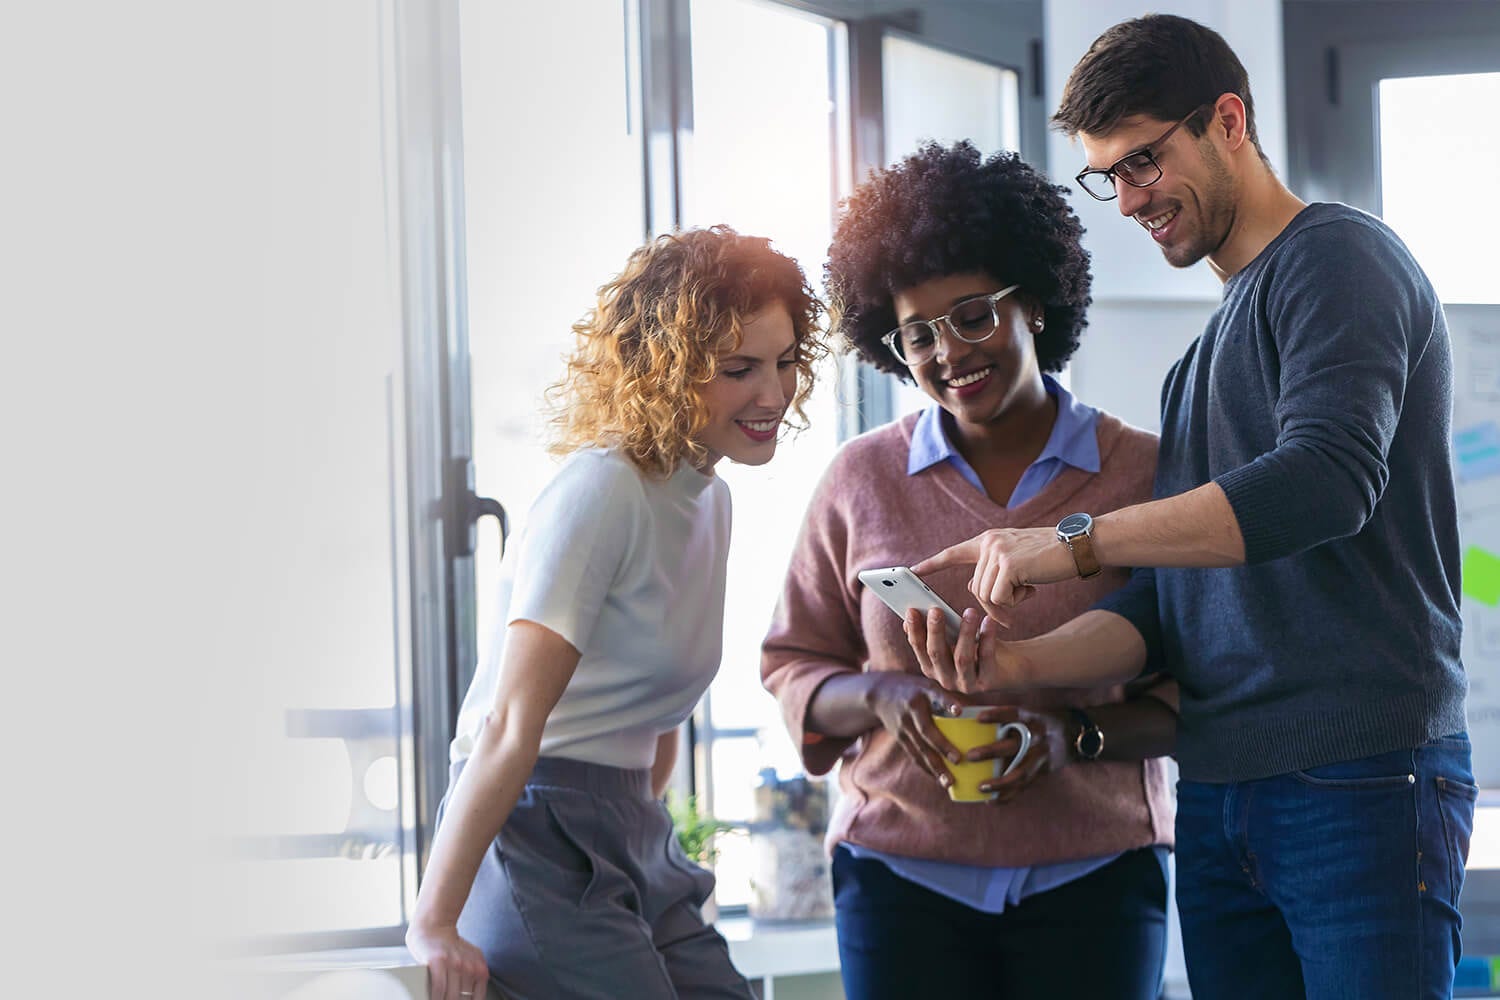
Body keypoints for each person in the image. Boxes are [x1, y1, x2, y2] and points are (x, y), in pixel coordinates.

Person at [905, 15, 1473, 1000]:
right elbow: (1171, 615)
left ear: (1228, 120)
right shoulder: (1193, 370)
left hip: (1359, 779)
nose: (1129, 200)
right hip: (1217, 797)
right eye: (1108, 177)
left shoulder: (1339, 261)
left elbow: (1325, 480)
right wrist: (1022, 666)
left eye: (1144, 163)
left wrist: (1068, 542)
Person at [760, 142, 1177, 1000]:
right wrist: (882, 695)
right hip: (900, 882)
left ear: (1033, 303)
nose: (948, 351)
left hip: (1094, 877)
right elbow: (793, 663)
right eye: (917, 333)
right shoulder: (858, 480)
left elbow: (1196, 684)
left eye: (973, 315)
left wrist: (1069, 740)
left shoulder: (1143, 475)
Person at [403, 226, 825, 1000]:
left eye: (786, 360)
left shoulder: (710, 499)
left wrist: (641, 830)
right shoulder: (602, 491)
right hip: (534, 828)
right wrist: (434, 920)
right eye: (740, 369)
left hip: (632, 828)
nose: (774, 393)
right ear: (668, 370)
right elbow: (505, 726)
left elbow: (656, 712)